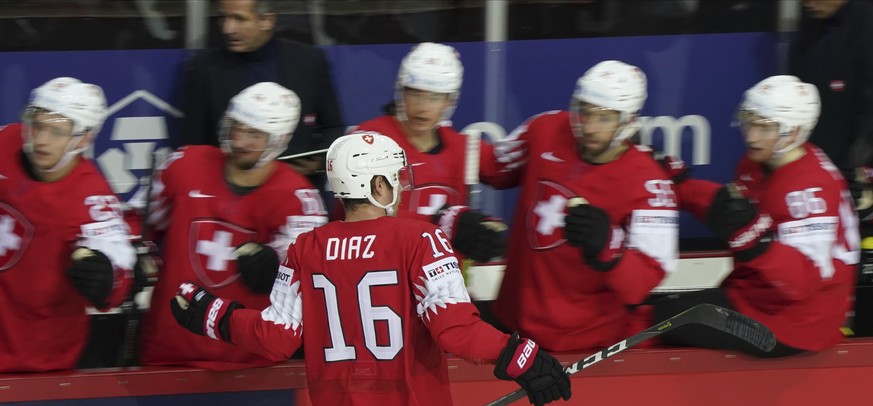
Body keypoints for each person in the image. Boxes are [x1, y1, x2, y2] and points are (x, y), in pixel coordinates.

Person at [169, 132, 571, 406]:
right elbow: (455, 331)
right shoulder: (421, 239)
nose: (401, 185)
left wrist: (213, 314)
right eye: (395, 177)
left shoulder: (306, 248)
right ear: (377, 186)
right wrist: (523, 356)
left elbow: (275, 337)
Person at [656, 75, 859, 356]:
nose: (751, 135)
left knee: (660, 322)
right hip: (758, 298)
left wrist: (758, 242)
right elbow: (731, 208)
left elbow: (802, 283)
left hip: (796, 325)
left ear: (795, 131)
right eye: (749, 121)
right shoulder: (758, 161)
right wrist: (677, 187)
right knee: (663, 309)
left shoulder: (810, 191)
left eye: (765, 128)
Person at [488, 60, 680, 352]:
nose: (589, 126)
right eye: (584, 111)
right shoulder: (545, 129)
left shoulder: (651, 186)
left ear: (628, 121)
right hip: (510, 327)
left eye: (604, 118)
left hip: (584, 343)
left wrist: (609, 247)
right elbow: (491, 166)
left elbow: (642, 283)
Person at [140, 81, 328, 369]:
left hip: (246, 366)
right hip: (166, 352)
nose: (240, 141)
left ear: (280, 139)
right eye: (237, 127)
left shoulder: (301, 202)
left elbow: (306, 281)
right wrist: (134, 261)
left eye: (255, 134)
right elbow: (141, 229)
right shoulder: (183, 164)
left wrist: (274, 266)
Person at [0, 76, 136, 372]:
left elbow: (118, 269)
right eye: (37, 125)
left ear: (84, 138)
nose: (41, 139)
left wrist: (104, 278)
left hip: (36, 359)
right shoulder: (5, 142)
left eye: (57, 131)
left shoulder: (93, 200)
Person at [352, 42, 508, 264]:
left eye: (434, 98)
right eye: (415, 94)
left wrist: (483, 229)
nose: (423, 107)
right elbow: (359, 215)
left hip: (438, 283)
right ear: (401, 92)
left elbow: (509, 171)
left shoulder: (464, 147)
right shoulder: (368, 139)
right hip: (380, 274)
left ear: (449, 101)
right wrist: (443, 223)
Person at [181, 0, 345, 201]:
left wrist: (316, 163)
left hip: (294, 195)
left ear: (267, 20)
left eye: (239, 19)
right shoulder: (205, 68)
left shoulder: (308, 61)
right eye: (223, 18)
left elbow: (334, 127)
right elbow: (193, 146)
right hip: (228, 200)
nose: (228, 28)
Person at [789, 0, 873, 199]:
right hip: (815, 161)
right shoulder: (813, 23)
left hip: (855, 167)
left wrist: (854, 164)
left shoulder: (866, 24)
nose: (806, 2)